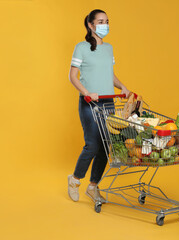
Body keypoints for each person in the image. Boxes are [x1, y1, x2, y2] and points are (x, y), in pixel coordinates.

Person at [68, 9, 131, 203]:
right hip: (90, 103)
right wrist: (87, 93)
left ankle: (93, 186)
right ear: (90, 25)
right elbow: (72, 76)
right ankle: (75, 180)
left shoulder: (109, 48)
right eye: (100, 21)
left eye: (107, 21)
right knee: (93, 144)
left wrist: (122, 86)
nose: (105, 25)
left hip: (108, 101)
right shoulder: (81, 47)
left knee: (105, 146)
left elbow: (108, 74)